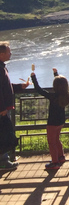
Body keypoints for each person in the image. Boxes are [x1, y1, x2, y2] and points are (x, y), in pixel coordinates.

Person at [30, 67, 69, 170]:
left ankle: (55, 162)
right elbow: (60, 83)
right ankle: (61, 157)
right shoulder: (66, 95)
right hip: (61, 121)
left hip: (52, 122)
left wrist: (33, 78)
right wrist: (56, 73)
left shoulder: (52, 96)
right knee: (56, 140)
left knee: (51, 142)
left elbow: (39, 90)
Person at [1, 41, 30, 171]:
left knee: (4, 133)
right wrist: (2, 108)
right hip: (2, 109)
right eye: (9, 51)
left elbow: (6, 87)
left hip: (4, 108)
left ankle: (5, 160)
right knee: (3, 134)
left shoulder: (2, 67)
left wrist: (20, 87)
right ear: (1, 54)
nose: (11, 53)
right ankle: (4, 162)